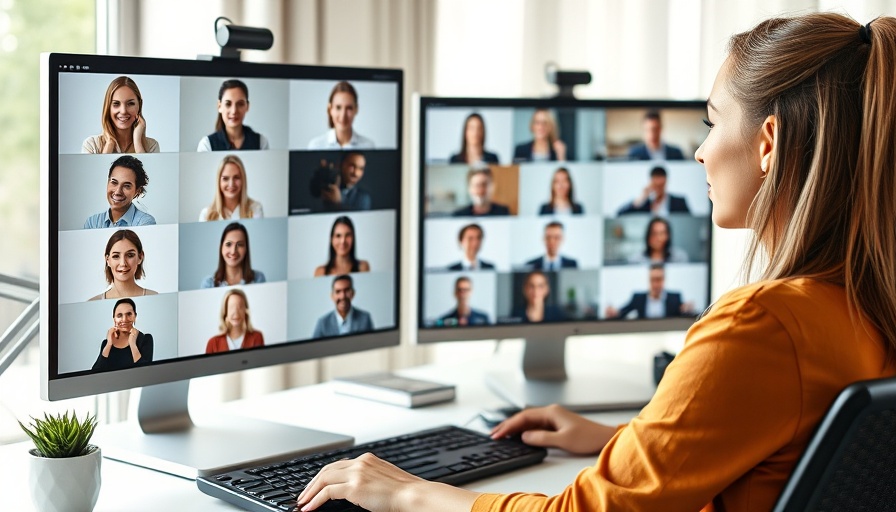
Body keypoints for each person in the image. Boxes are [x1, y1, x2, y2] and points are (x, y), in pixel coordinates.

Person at [295, 13, 896, 512]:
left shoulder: (761, 326)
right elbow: (778, 451)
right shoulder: (860, 304)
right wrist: (624, 441)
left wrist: (410, 494)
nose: (700, 150)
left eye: (712, 122)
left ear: (767, 143)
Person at [82, 76, 160, 154]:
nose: (123, 111)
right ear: (108, 107)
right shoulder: (92, 145)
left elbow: (146, 166)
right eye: (116, 104)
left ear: (139, 105)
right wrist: (109, 144)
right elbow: (100, 167)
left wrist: (137, 142)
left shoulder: (151, 146)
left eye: (130, 103)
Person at [84, 155, 156, 228]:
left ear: (137, 191)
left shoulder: (145, 223)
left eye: (127, 186)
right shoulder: (92, 223)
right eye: (114, 182)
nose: (118, 192)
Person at [197, 79, 270, 151]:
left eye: (240, 104)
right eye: (228, 104)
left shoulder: (261, 143)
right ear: (219, 106)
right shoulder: (207, 145)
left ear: (247, 106)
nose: (234, 111)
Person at [605, 263, 693, 319]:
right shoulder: (638, 298)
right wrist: (614, 313)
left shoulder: (675, 298)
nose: (655, 284)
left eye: (658, 279)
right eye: (652, 280)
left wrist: (688, 310)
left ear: (664, 280)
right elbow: (622, 312)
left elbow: (684, 314)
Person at [89, 229, 158, 301]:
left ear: (140, 257)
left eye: (130, 255)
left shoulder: (155, 298)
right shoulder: (92, 303)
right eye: (116, 256)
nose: (123, 263)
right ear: (107, 260)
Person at [307, 81, 375, 149]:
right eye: (338, 107)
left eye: (349, 108)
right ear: (330, 109)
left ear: (356, 109)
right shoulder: (316, 146)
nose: (343, 116)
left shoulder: (368, 146)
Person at [92, 298, 153, 371]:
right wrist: (109, 344)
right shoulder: (106, 343)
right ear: (114, 319)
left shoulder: (145, 339)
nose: (124, 319)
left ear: (135, 316)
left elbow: (146, 372)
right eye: (119, 315)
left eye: (129, 314)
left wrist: (133, 344)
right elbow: (95, 373)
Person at [199, 154, 264, 221]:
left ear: (243, 180)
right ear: (219, 181)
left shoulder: (255, 209)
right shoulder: (206, 215)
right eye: (225, 178)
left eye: (236, 177)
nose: (231, 184)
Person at [200, 223, 266, 288]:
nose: (233, 251)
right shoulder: (208, 284)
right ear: (221, 247)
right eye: (228, 244)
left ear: (246, 248)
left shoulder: (258, 279)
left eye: (240, 244)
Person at [205, 289, 265, 353]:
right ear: (225, 312)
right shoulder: (213, 343)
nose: (236, 312)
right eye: (231, 307)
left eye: (240, 307)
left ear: (245, 311)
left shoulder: (257, 337)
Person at [617, 165, 690, 216]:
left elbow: (689, 221)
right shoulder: (643, 204)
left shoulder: (679, 202)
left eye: (661, 186)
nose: (658, 189)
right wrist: (641, 198)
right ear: (651, 183)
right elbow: (620, 214)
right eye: (655, 185)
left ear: (666, 182)